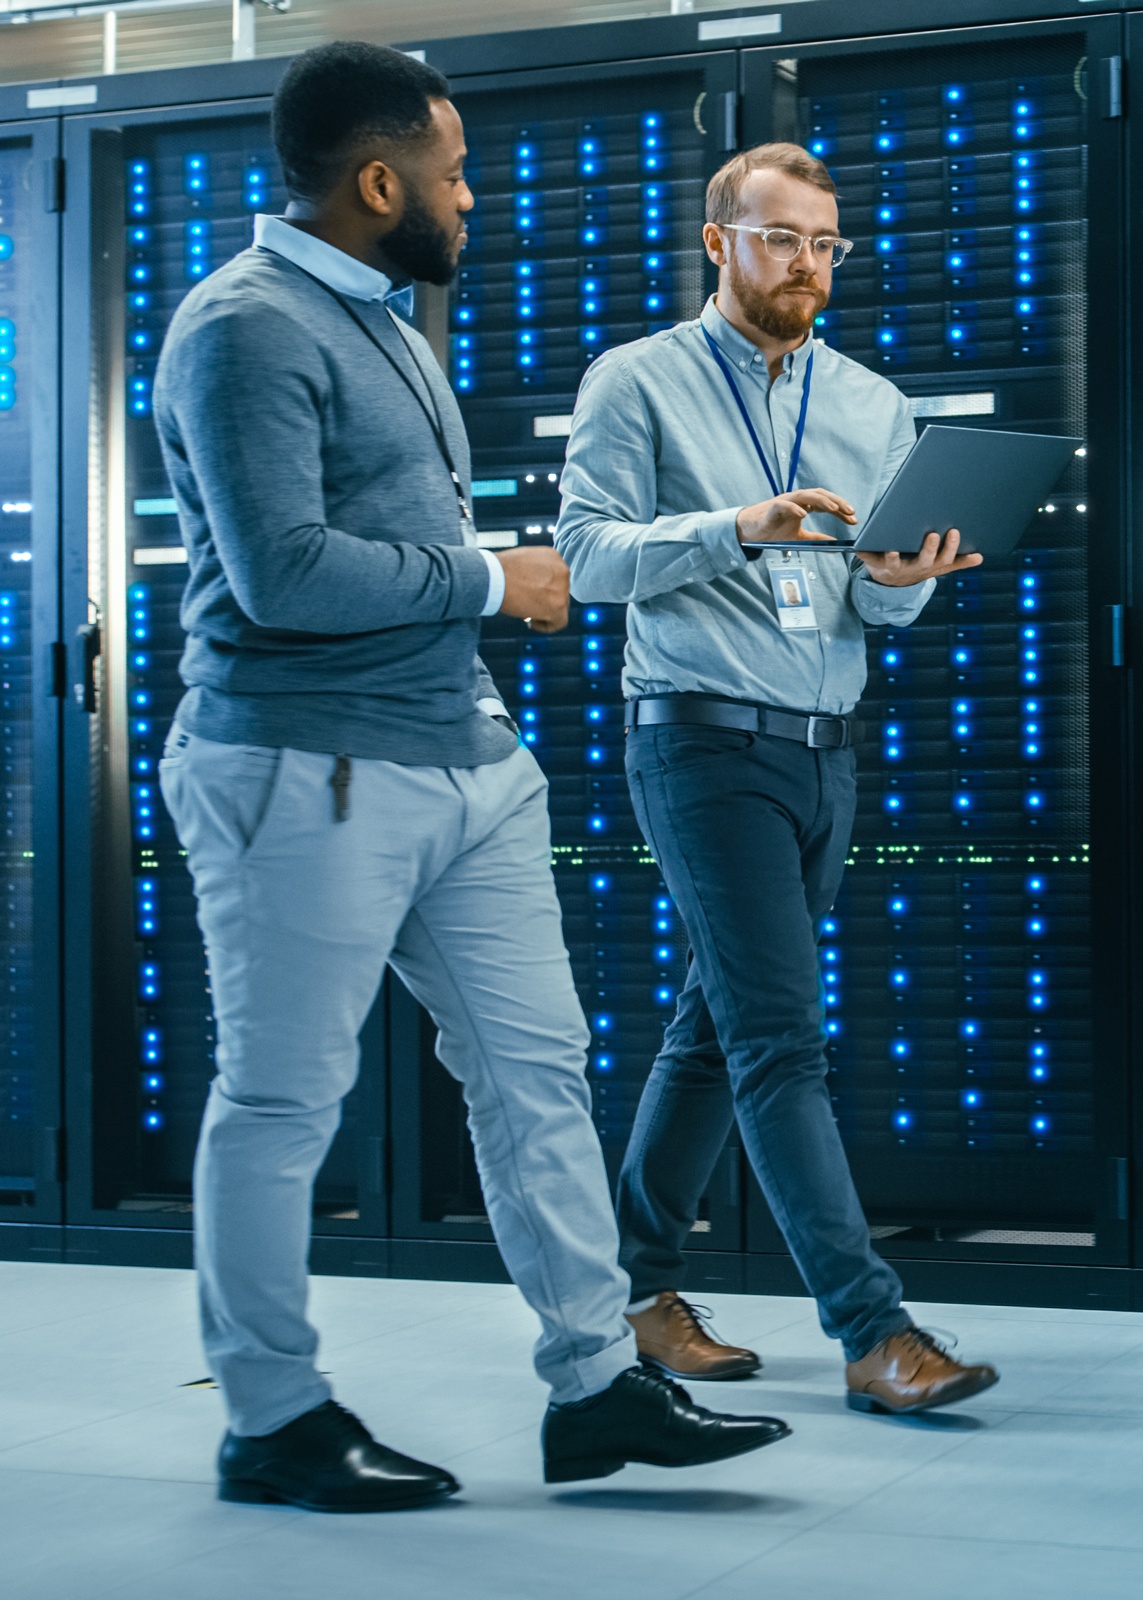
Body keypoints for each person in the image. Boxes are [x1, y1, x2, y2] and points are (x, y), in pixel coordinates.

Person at [152, 43, 790, 1514]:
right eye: (449, 172)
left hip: (461, 763)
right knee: (280, 1101)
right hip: (299, 768)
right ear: (378, 182)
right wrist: (493, 579)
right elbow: (282, 574)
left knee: (535, 1076)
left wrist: (488, 684)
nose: (469, 196)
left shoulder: (381, 317)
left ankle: (593, 1386)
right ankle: (270, 1418)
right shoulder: (241, 328)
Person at [556, 142, 1001, 1415]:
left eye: (824, 244)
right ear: (718, 242)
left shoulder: (870, 401)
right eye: (780, 238)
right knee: (778, 1039)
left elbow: (867, 596)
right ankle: (873, 1332)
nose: (805, 264)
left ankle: (632, 1290)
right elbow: (587, 558)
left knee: (717, 1023)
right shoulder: (634, 380)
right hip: (697, 740)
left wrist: (898, 585)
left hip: (826, 750)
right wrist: (733, 527)